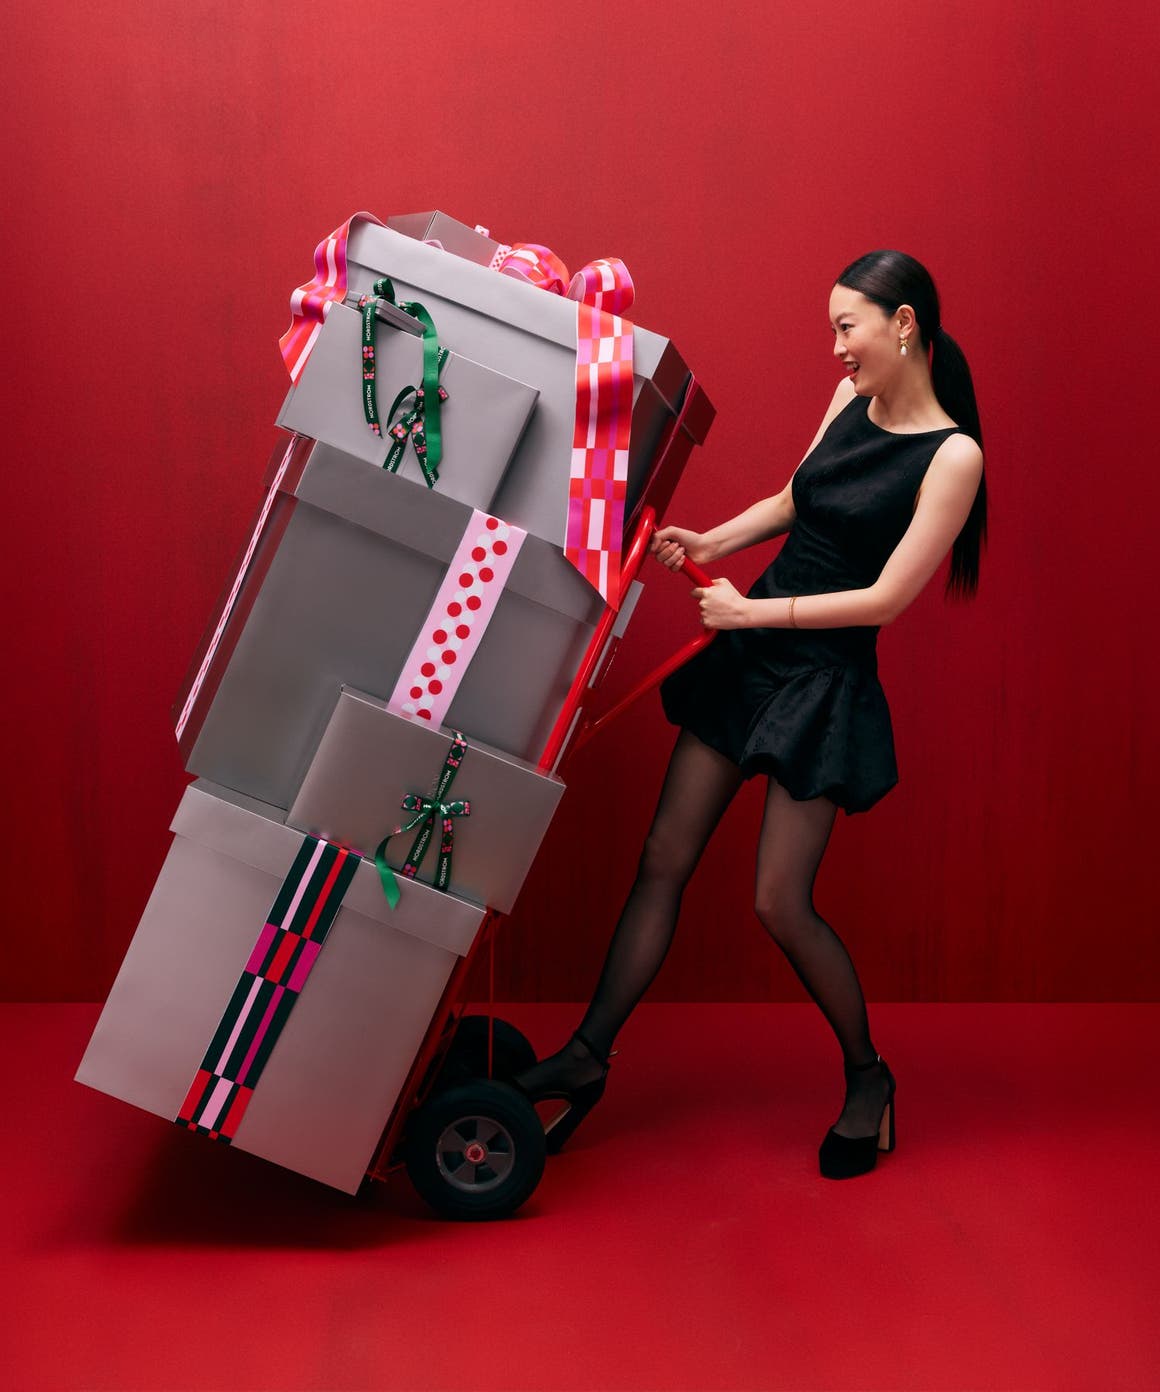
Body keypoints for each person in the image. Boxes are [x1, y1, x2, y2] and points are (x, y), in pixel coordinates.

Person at [513, 249, 987, 1180]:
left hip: (823, 678)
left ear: (902, 325)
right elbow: (791, 500)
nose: (835, 349)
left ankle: (868, 1077)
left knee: (778, 901)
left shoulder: (954, 454)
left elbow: (886, 599)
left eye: (846, 326)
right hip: (754, 650)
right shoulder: (849, 404)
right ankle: (588, 1056)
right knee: (662, 862)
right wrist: (712, 538)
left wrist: (747, 611)